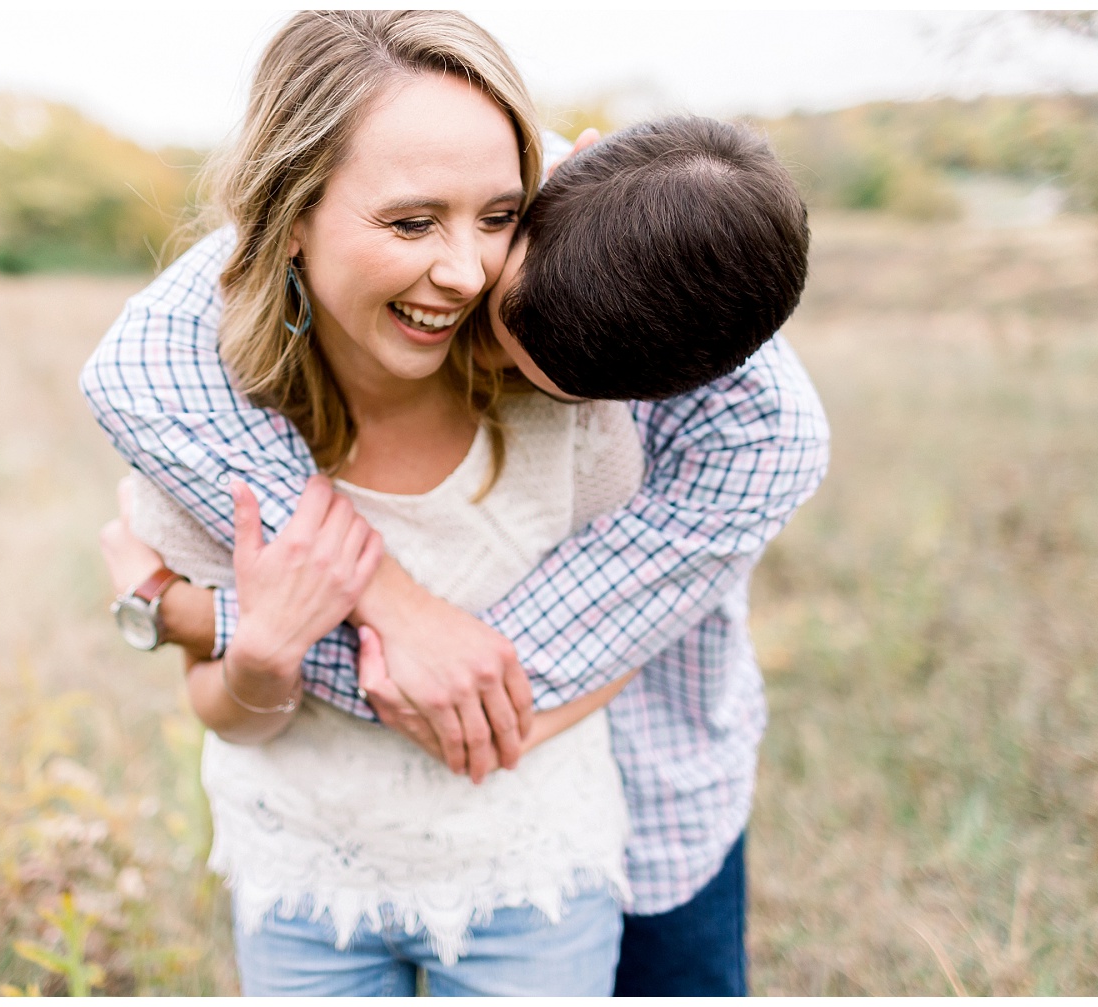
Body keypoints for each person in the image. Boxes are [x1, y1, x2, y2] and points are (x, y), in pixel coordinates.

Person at [82, 14, 831, 997]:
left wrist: (198, 613)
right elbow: (133, 366)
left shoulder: (742, 430)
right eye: (499, 320)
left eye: (538, 372)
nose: (472, 293)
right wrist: (386, 598)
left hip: (639, 804)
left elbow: (469, 693)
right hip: (333, 870)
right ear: (572, 170)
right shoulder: (469, 175)